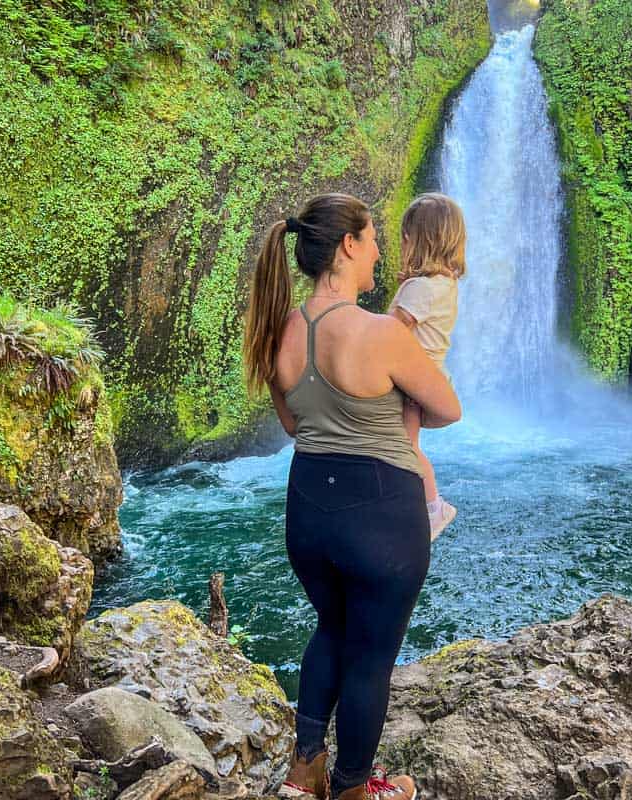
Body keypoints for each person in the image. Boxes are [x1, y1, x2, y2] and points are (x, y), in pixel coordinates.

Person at [242, 193, 461, 800]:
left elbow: (293, 425)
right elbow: (448, 407)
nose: (379, 253)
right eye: (371, 240)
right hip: (381, 514)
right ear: (347, 246)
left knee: (331, 629)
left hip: (309, 510)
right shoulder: (381, 332)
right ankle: (354, 789)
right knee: (370, 658)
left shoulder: (277, 330)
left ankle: (305, 766)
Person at [387, 193, 467, 539]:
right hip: (427, 378)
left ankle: (434, 506)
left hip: (411, 382)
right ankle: (421, 503)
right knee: (406, 445)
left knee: (406, 447)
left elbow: (386, 332)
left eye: (404, 239)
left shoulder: (419, 288)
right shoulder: (445, 284)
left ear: (417, 241)